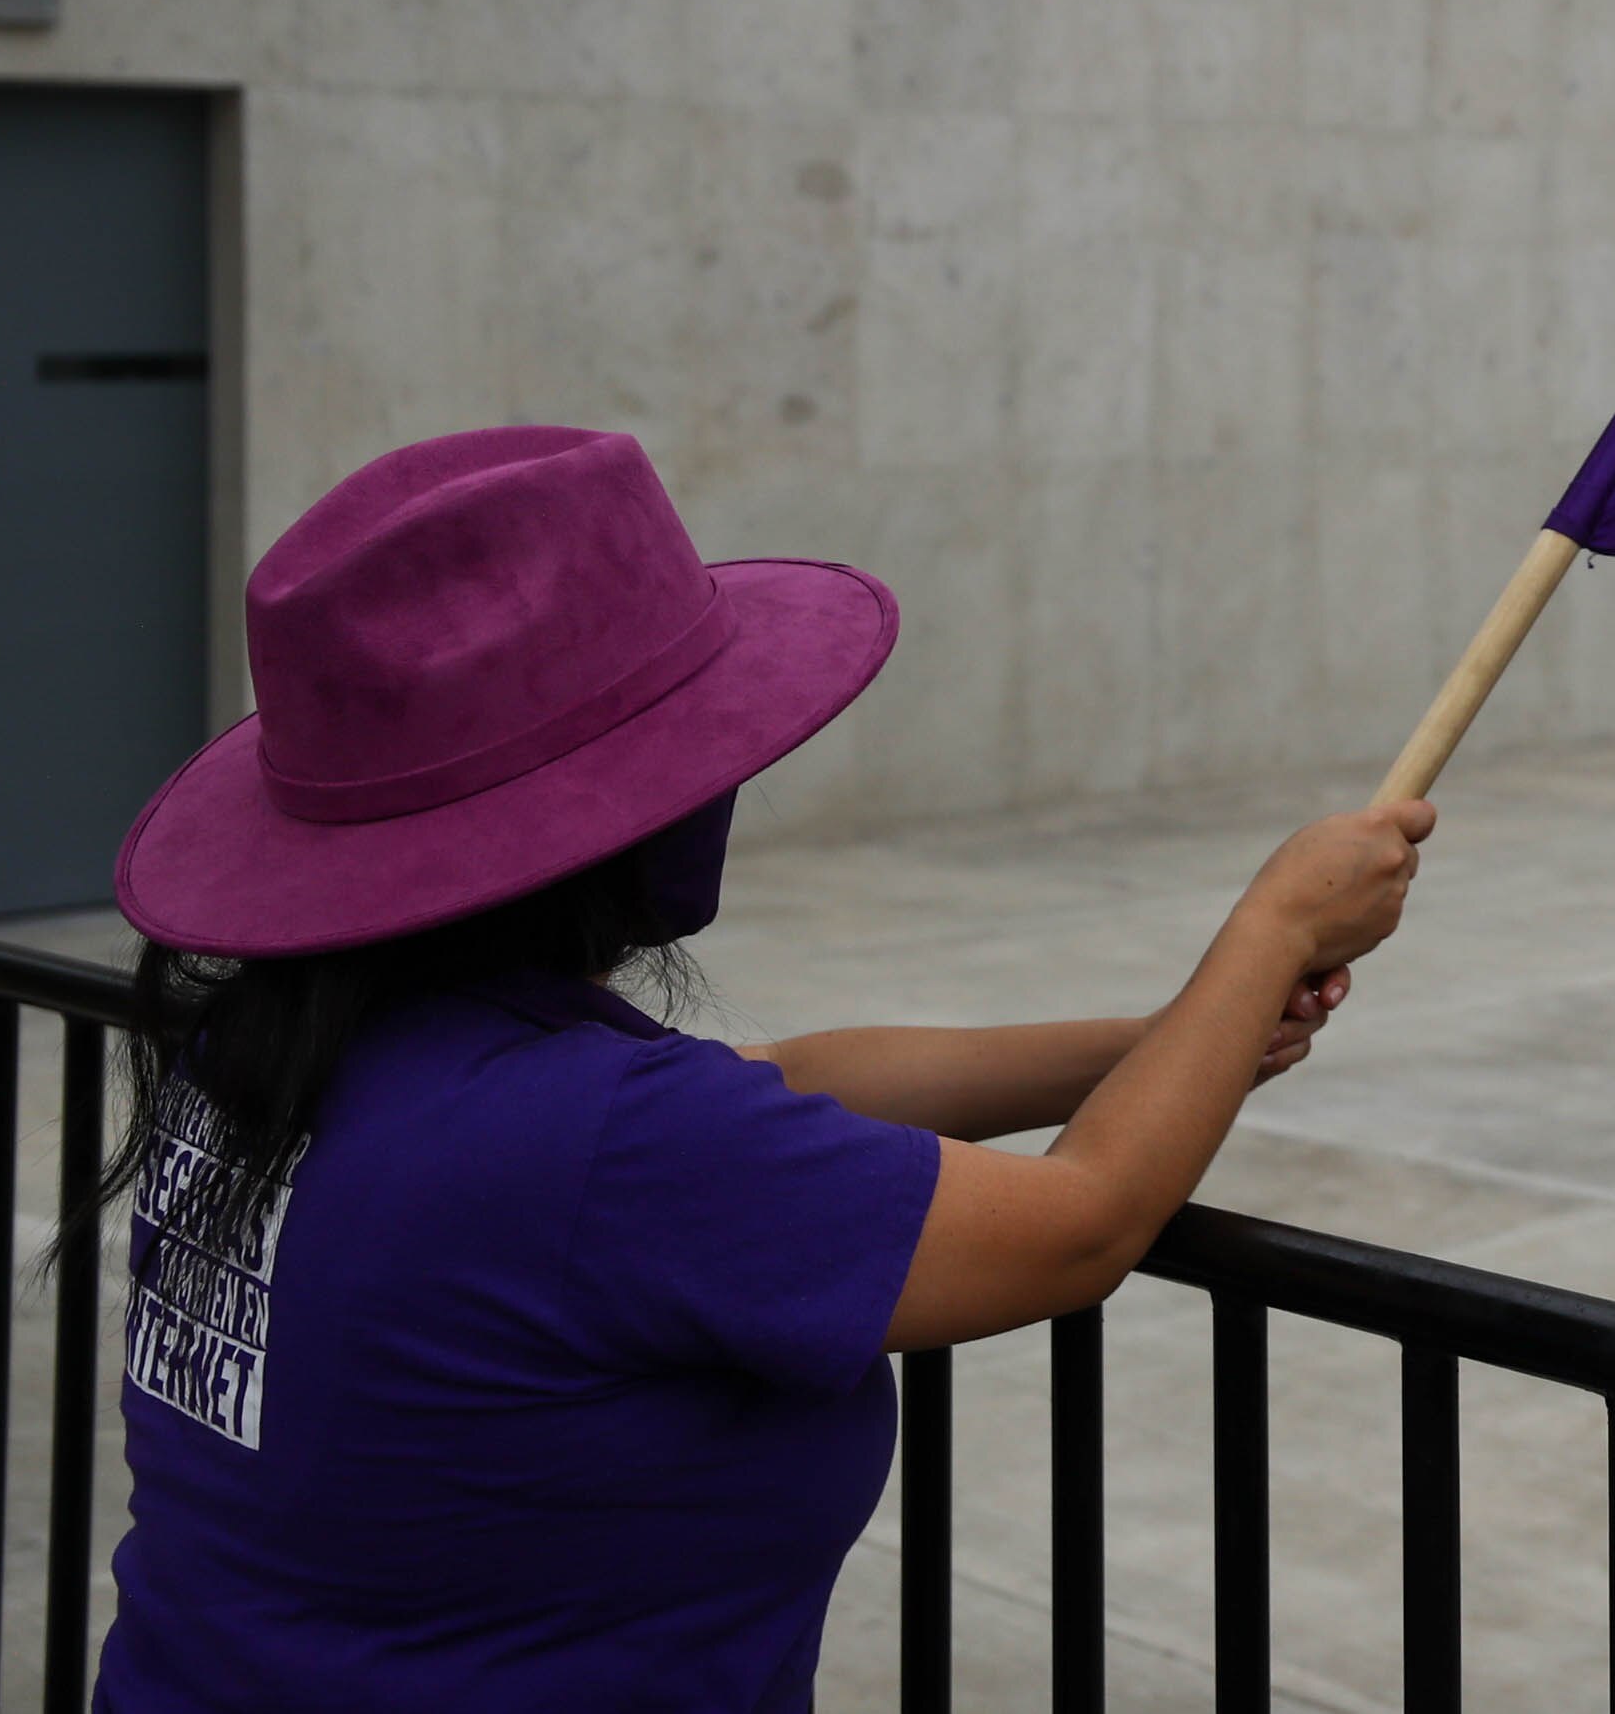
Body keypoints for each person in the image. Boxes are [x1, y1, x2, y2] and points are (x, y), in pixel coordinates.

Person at [91, 427, 1429, 1712]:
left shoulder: (278, 1051)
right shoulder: (600, 1146)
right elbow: (1077, 1224)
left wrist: (1190, 1032)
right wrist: (1276, 924)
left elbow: (780, 1080)